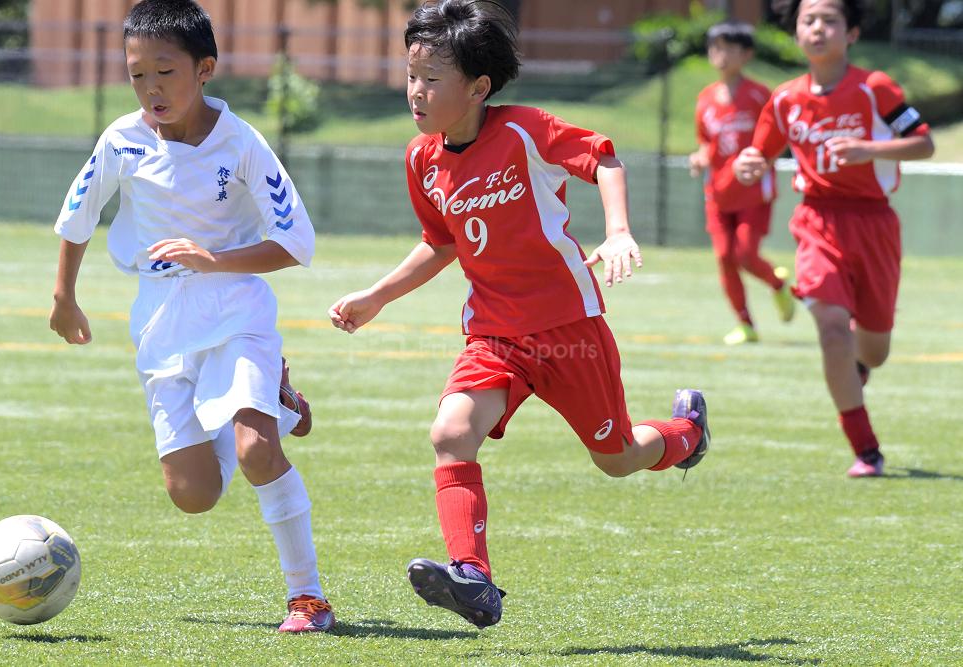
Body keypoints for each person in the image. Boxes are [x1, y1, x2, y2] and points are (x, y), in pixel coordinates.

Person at [328, 0, 710, 629]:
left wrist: (617, 232)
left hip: (568, 326)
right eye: (411, 76)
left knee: (615, 456)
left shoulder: (524, 130)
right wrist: (376, 297)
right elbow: (441, 242)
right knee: (451, 434)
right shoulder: (422, 160)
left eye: (432, 80)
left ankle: (685, 435)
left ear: (478, 87)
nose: (416, 93)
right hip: (494, 336)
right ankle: (473, 578)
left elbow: (604, 159)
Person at [48, 0, 334, 632]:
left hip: (235, 304)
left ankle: (307, 597)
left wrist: (216, 260)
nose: (151, 88)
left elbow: (297, 244)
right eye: (137, 74)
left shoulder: (243, 143)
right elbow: (77, 218)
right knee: (194, 496)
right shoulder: (120, 140)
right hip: (158, 319)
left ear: (205, 69)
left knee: (258, 452)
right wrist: (64, 298)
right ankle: (273, 397)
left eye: (166, 71)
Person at [734, 0, 934, 477]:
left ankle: (858, 364)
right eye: (809, 20)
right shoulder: (784, 99)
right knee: (828, 326)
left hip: (875, 224)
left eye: (830, 20)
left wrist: (869, 149)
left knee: (875, 351)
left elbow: (924, 142)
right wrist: (748, 164)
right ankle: (866, 449)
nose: (818, 28)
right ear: (796, 32)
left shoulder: (875, 87)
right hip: (817, 221)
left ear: (852, 33)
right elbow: (757, 153)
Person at [689, 21, 796, 345]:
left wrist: (763, 164)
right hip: (718, 193)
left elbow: (778, 139)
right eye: (715, 47)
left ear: (746, 54)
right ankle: (745, 324)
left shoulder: (759, 95)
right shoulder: (705, 98)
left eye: (729, 47)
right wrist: (700, 156)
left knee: (746, 255)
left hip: (752, 191)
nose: (720, 54)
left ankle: (778, 285)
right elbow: (707, 142)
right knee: (725, 256)